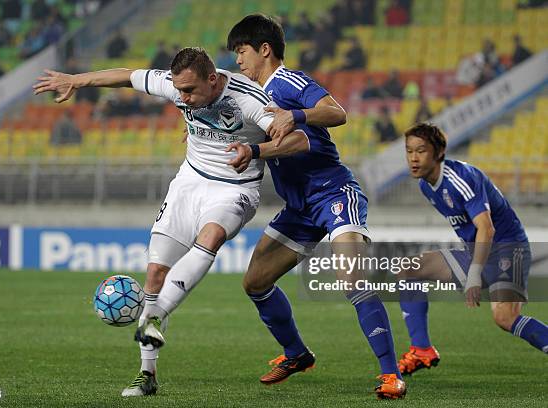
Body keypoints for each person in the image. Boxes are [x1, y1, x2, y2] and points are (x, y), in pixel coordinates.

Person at [33, 46, 311, 396]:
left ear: (213, 79)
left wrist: (254, 151)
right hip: (188, 183)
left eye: (190, 91)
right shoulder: (177, 84)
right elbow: (127, 76)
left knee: (210, 238)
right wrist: (76, 79)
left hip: (234, 189)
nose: (183, 98)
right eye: (179, 90)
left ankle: (157, 313)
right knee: (154, 274)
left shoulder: (248, 99)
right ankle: (147, 375)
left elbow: (299, 141)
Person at [227, 15, 405, 399]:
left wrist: (297, 115)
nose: (237, 60)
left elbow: (337, 112)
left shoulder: (289, 83)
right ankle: (297, 354)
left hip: (335, 194)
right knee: (255, 281)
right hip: (299, 208)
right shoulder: (252, 95)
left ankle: (392, 375)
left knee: (352, 280)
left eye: (241, 51)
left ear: (264, 49)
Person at [398, 123, 548, 375]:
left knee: (505, 318)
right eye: (409, 151)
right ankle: (421, 350)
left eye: (421, 151)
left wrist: (474, 274)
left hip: (508, 250)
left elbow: (486, 228)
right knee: (409, 268)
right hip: (477, 251)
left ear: (439, 152)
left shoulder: (462, 178)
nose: (414, 158)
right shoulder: (426, 185)